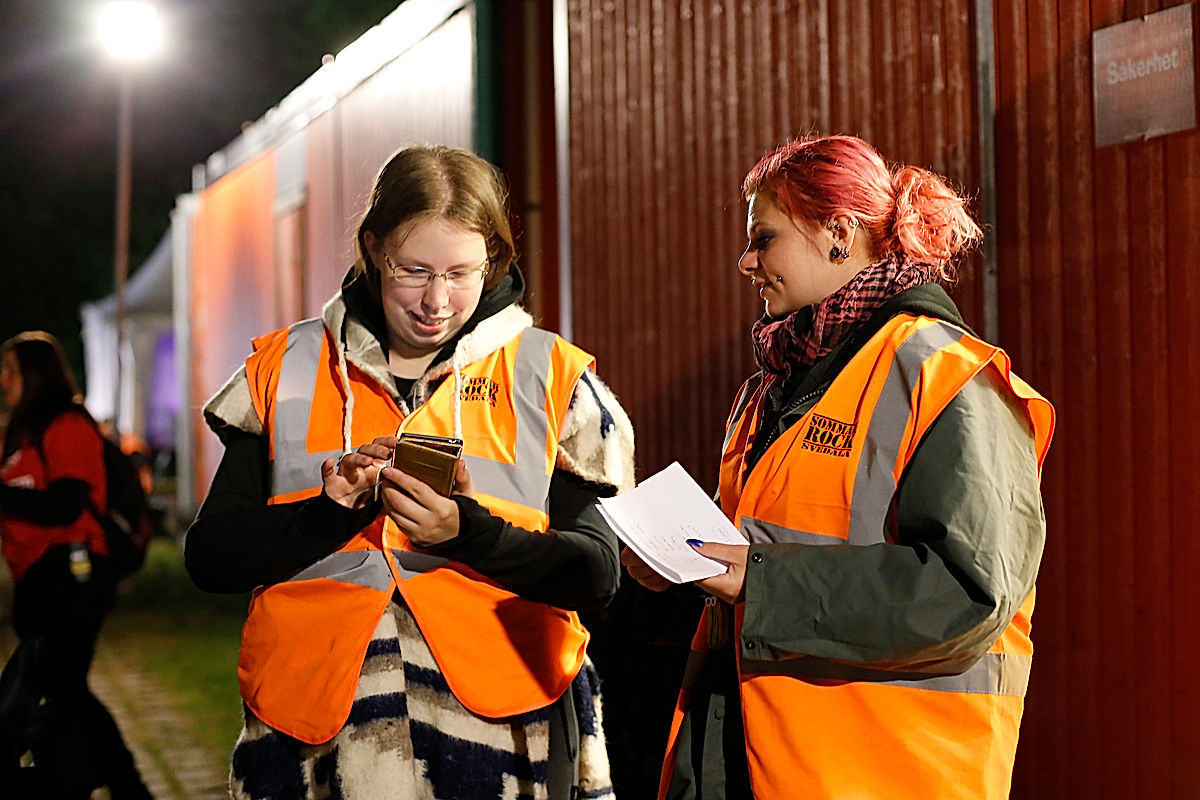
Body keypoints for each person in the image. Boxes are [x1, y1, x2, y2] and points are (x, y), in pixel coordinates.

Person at [185, 144, 635, 800]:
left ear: (496, 261)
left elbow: (598, 575)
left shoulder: (546, 374)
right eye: (412, 270)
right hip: (317, 733)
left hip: (503, 728)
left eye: (461, 272)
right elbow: (212, 560)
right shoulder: (287, 366)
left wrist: (466, 532)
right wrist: (327, 514)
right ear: (372, 249)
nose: (436, 299)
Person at [622, 135, 1055, 800]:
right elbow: (745, 567)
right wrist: (673, 576)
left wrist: (759, 584)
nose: (746, 261)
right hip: (748, 759)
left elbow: (972, 590)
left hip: (880, 776)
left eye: (763, 238)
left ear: (837, 233)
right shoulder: (768, 390)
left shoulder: (948, 377)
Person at [0, 331, 153, 799]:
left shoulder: (67, 424)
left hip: (73, 575)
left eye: (8, 370)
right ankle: (101, 781)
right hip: (39, 579)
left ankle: (111, 784)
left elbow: (66, 505)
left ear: (34, 372)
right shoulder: (21, 430)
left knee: (59, 685)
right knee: (64, 688)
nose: (2, 380)